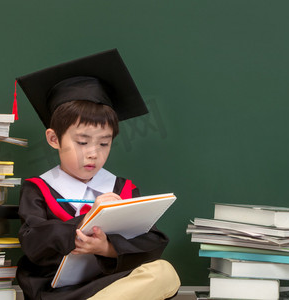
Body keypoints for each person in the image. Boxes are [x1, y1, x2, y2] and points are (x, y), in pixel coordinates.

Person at [15, 49, 180, 300]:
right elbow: (33, 243)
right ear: (53, 139)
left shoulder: (121, 189)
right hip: (57, 292)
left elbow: (152, 242)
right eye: (82, 142)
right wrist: (85, 221)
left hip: (109, 287)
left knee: (164, 273)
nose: (93, 154)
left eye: (103, 144)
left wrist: (108, 248)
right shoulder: (39, 188)